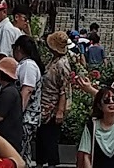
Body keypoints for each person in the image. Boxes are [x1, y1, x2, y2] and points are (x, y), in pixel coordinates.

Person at [35, 31, 71, 168]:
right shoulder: (54, 60)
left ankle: (51, 164)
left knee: (50, 139)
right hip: (44, 105)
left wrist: (60, 110)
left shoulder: (62, 64)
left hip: (52, 107)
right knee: (42, 138)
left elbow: (64, 89)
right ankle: (41, 162)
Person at [78, 87, 114, 168]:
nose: (111, 102)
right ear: (99, 105)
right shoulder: (91, 126)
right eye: (106, 100)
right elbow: (86, 156)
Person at [12, 36, 43, 164]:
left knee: (21, 151)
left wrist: (17, 113)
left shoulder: (28, 66)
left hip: (27, 116)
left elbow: (27, 91)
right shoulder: (26, 65)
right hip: (28, 115)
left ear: (18, 48)